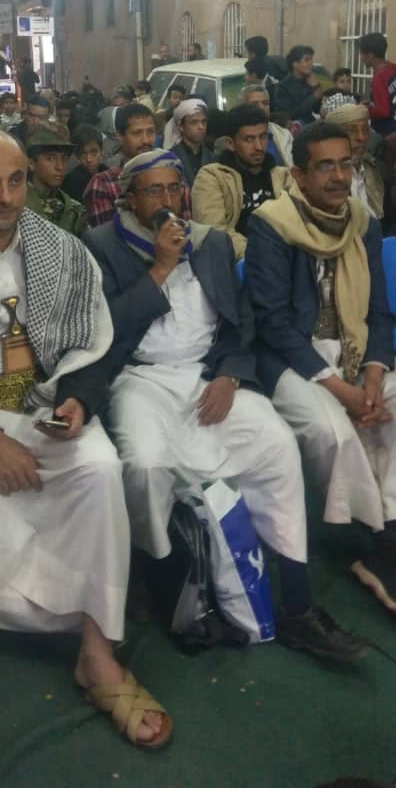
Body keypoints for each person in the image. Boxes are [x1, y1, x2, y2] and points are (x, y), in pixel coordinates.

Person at [0, 128, 172, 755]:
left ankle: (96, 655)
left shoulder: (64, 250)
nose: (7, 196)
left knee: (99, 469)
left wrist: (79, 401)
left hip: (42, 406)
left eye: (16, 180)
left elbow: (90, 348)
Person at [84, 149, 367, 662]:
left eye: (175, 188)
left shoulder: (210, 241)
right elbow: (105, 330)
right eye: (154, 190)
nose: (168, 200)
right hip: (140, 377)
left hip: (208, 373)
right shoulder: (101, 244)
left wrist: (231, 374)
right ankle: (167, 582)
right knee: (145, 464)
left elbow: (242, 321)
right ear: (130, 199)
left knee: (277, 445)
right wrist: (161, 268)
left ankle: (298, 603)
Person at [246, 122, 396, 611]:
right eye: (325, 166)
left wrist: (372, 374)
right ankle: (373, 542)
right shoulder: (272, 224)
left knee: (391, 407)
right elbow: (273, 322)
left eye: (344, 164)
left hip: (354, 348)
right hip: (292, 357)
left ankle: (388, 535)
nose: (338, 176)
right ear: (299, 175)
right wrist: (342, 390)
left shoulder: (362, 222)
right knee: (331, 430)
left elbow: (378, 310)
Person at [192, 105, 291, 260]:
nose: (259, 147)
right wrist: (263, 254)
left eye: (263, 137)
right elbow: (214, 232)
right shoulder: (212, 177)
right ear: (230, 143)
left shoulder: (283, 176)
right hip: (237, 263)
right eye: (249, 139)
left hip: (285, 258)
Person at [84, 104, 157, 227]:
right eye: (137, 133)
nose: (146, 140)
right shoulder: (104, 184)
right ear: (119, 136)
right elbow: (107, 236)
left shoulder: (172, 176)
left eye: (150, 132)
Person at [322, 96, 383, 219]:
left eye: (365, 130)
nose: (361, 137)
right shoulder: (325, 176)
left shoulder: (371, 168)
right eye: (351, 131)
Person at [25, 127, 84, 233]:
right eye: (50, 158)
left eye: (64, 159)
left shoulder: (74, 210)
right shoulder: (16, 205)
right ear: (31, 163)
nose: (60, 166)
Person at [240, 83, 293, 165]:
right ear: (242, 108)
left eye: (265, 103)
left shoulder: (284, 134)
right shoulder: (235, 137)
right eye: (255, 104)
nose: (261, 107)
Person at [165, 98, 213, 187]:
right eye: (194, 122)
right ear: (180, 127)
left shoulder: (213, 158)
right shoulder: (169, 159)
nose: (201, 127)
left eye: (203, 121)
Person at [360, 33, 396, 136]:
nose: (361, 58)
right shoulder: (393, 68)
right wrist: (372, 102)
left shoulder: (378, 78)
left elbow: (383, 111)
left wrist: (365, 109)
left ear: (371, 55)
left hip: (389, 130)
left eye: (362, 54)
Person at [275, 46, 322, 125]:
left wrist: (316, 87)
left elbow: (317, 110)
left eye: (311, 60)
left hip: (312, 124)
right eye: (306, 60)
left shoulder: (311, 81)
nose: (311, 64)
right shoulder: (283, 87)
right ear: (295, 63)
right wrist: (313, 98)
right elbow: (288, 114)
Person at [63, 125, 107, 202]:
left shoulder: (109, 174)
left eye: (93, 152)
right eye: (83, 154)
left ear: (102, 150)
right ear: (77, 156)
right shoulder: (71, 182)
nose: (89, 159)